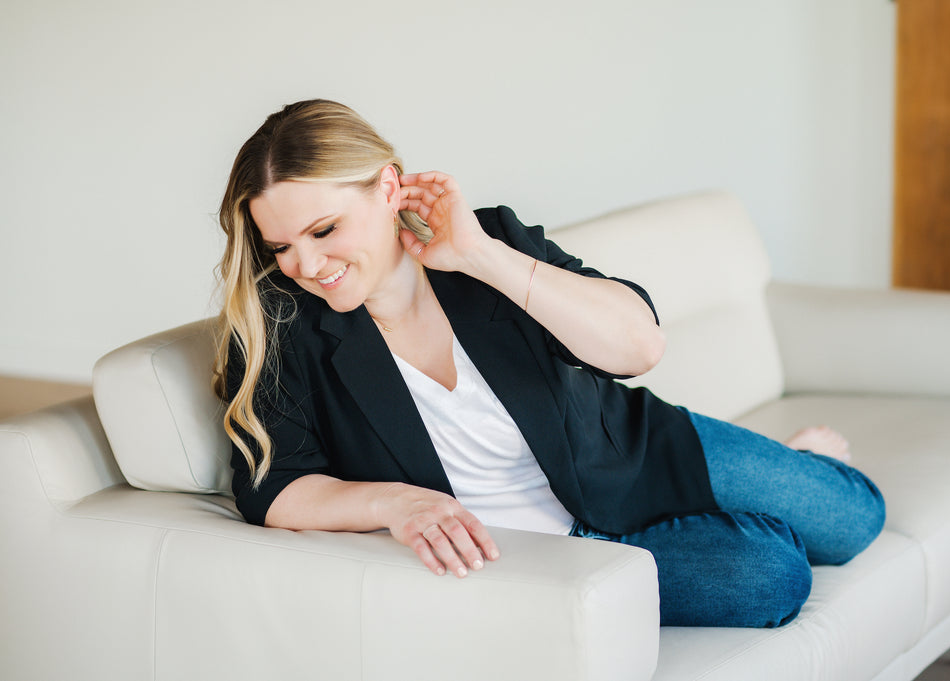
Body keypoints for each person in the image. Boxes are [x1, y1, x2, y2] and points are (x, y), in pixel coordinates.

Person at [212, 99, 885, 628]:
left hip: (632, 452)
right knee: (773, 576)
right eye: (281, 246)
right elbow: (274, 487)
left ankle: (784, 462)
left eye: (324, 230)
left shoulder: (488, 238)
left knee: (855, 516)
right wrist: (400, 503)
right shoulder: (279, 324)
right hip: (539, 548)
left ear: (389, 188)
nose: (305, 265)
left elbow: (639, 345)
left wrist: (478, 256)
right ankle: (754, 500)